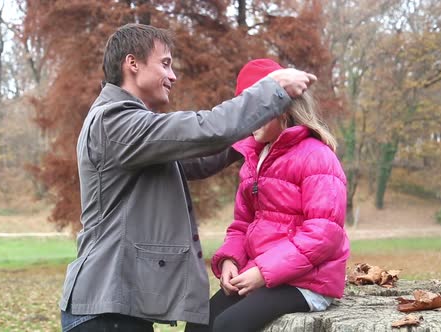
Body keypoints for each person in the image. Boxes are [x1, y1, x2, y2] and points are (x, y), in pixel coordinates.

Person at [59, 24, 317, 332]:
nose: (173, 76)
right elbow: (205, 130)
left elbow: (199, 158)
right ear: (132, 63)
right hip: (102, 314)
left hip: (115, 311)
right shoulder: (114, 121)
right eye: (165, 64)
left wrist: (265, 132)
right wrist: (271, 90)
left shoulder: (135, 133)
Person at [185, 59, 350, 332]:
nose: (248, 121)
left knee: (230, 325)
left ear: (282, 107)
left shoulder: (317, 157)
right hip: (263, 274)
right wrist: (231, 260)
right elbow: (242, 224)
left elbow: (324, 234)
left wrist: (263, 271)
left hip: (307, 281)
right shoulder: (254, 158)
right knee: (199, 321)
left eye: (255, 109)